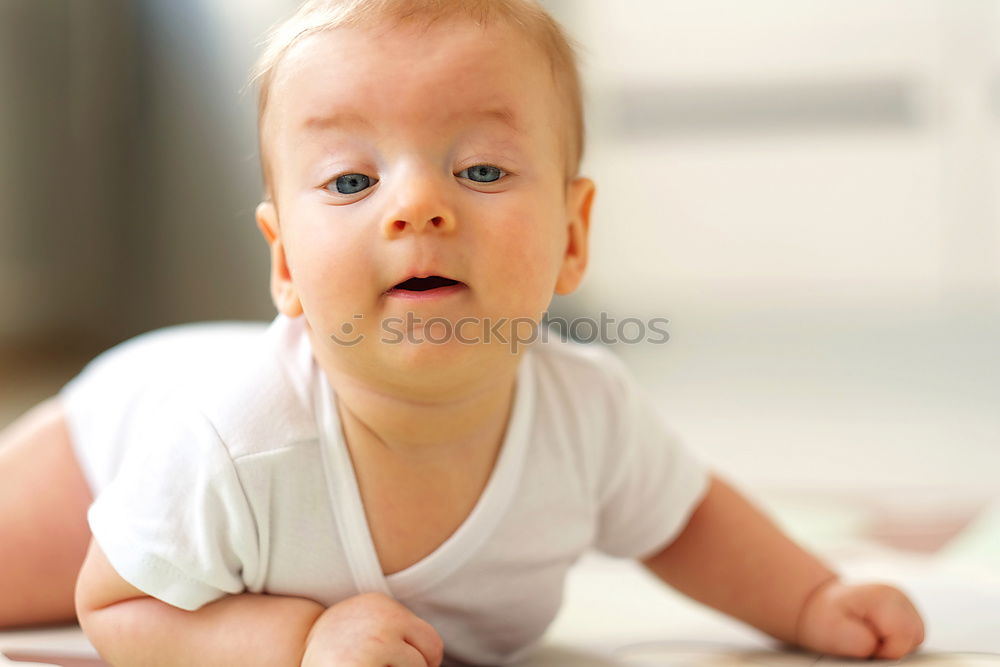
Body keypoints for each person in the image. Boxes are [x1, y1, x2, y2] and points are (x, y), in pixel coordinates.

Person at [0, 1, 926, 665]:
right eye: (352, 181)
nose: (418, 207)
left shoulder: (585, 413)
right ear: (284, 263)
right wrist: (298, 639)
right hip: (113, 439)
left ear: (571, 238)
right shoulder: (228, 441)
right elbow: (116, 600)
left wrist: (811, 596)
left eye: (481, 168)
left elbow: (685, 516)